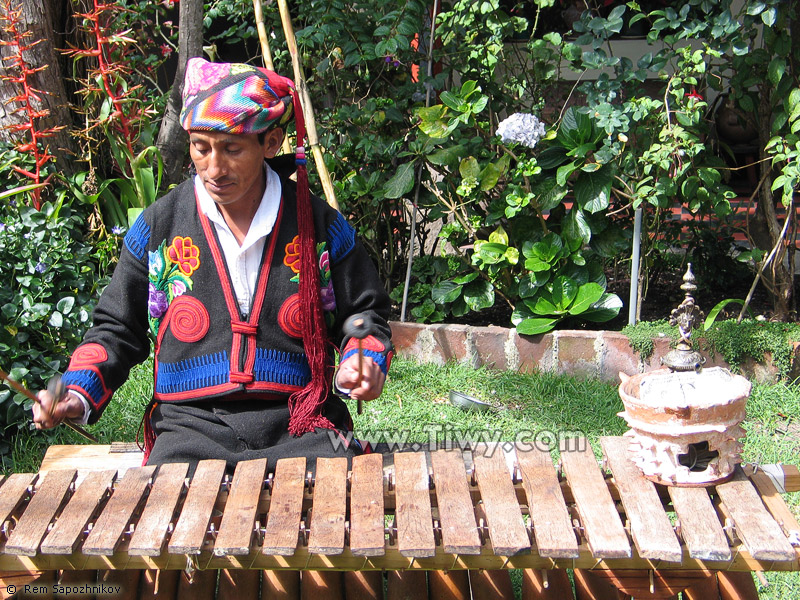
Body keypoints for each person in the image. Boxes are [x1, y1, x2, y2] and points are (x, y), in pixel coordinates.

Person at [32, 57, 393, 473]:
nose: (214, 169)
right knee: (171, 506)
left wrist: (361, 359)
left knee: (328, 492)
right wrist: (75, 393)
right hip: (191, 427)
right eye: (200, 148)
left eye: (232, 149)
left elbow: (365, 313)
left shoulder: (320, 226)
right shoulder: (159, 227)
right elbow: (117, 327)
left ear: (271, 143)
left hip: (298, 421)